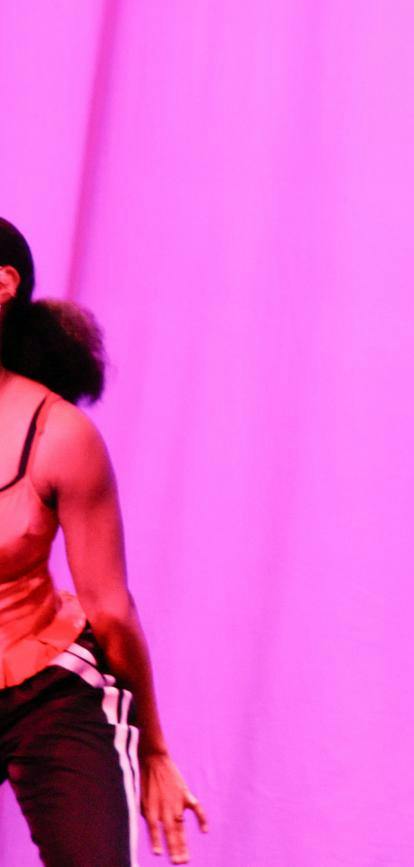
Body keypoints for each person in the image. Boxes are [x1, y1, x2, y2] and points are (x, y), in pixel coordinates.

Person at [0, 219, 207, 865]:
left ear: (3, 285)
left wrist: (153, 748)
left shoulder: (58, 434)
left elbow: (111, 609)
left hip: (47, 691)